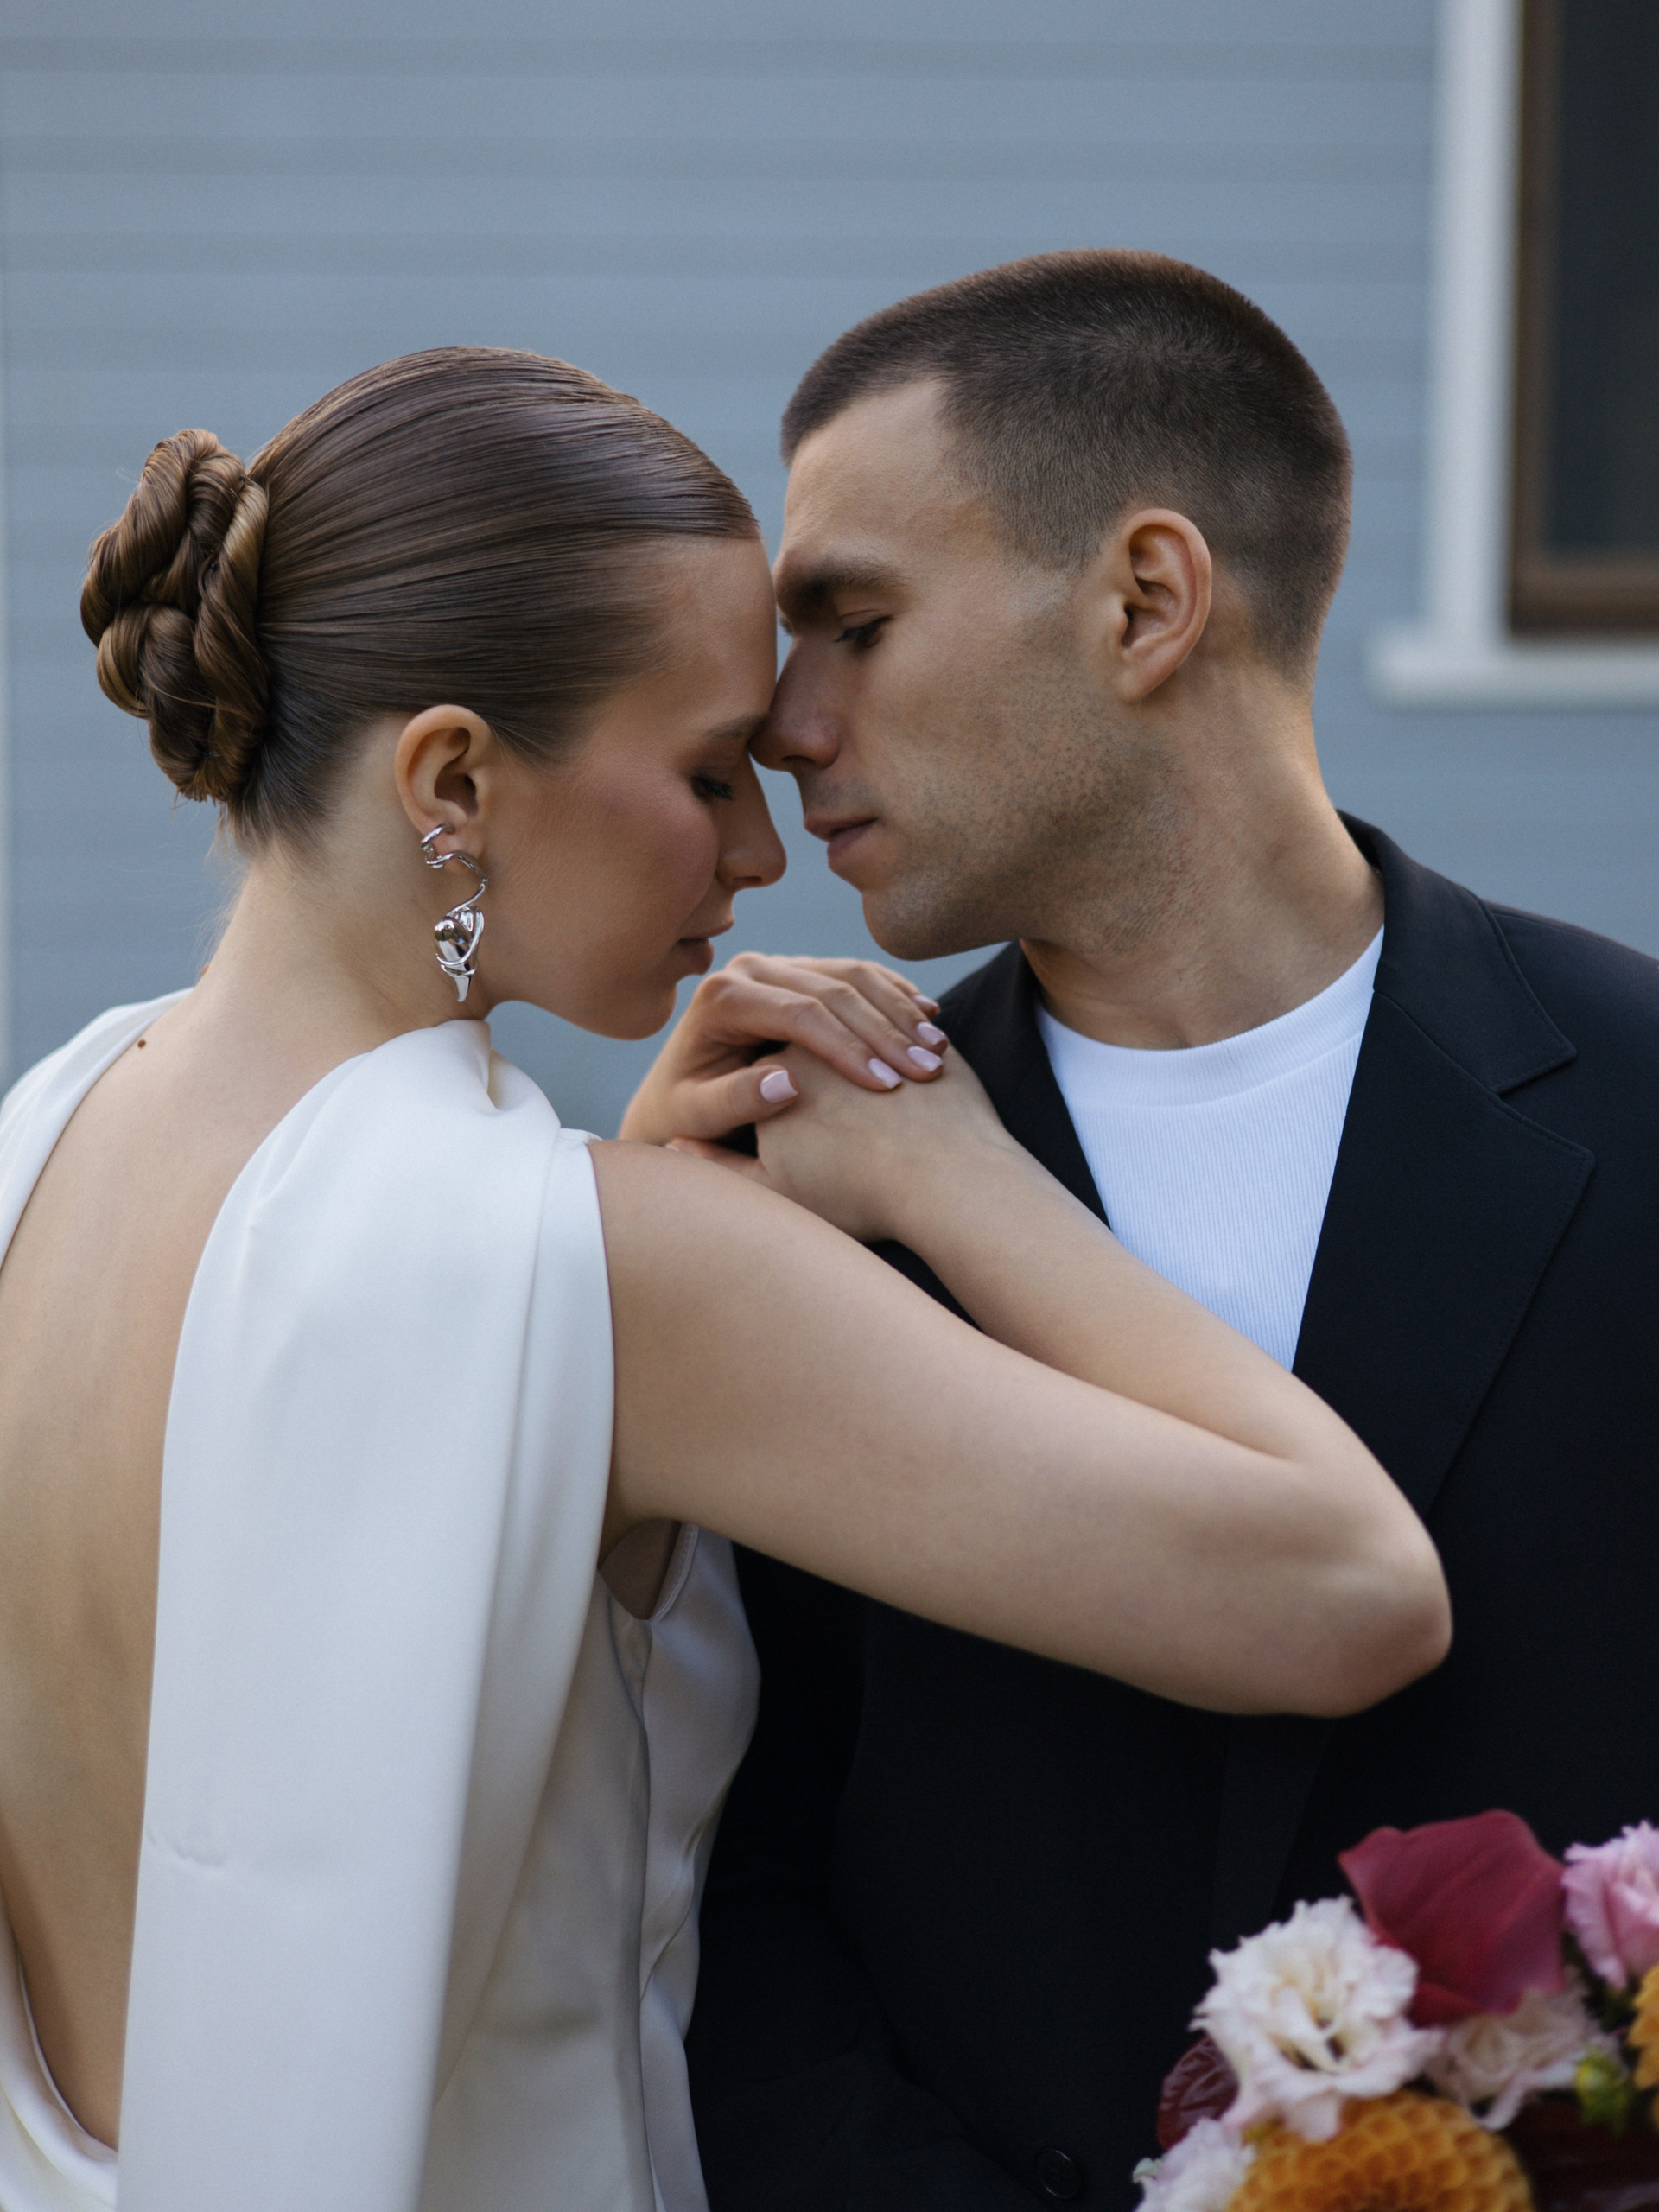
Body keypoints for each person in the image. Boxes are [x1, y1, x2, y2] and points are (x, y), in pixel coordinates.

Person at [0, 349, 1446, 2212]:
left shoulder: (45, 1144)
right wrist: (953, 1175)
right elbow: (1352, 1587)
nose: (765, 852)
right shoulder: (610, 1263)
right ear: (453, 779)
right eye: (704, 772)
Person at [664, 252, 1659, 2210]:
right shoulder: (790, 1183)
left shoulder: (1641, 1098)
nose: (784, 722)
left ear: (1145, 601)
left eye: (854, 623)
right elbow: (729, 1885)